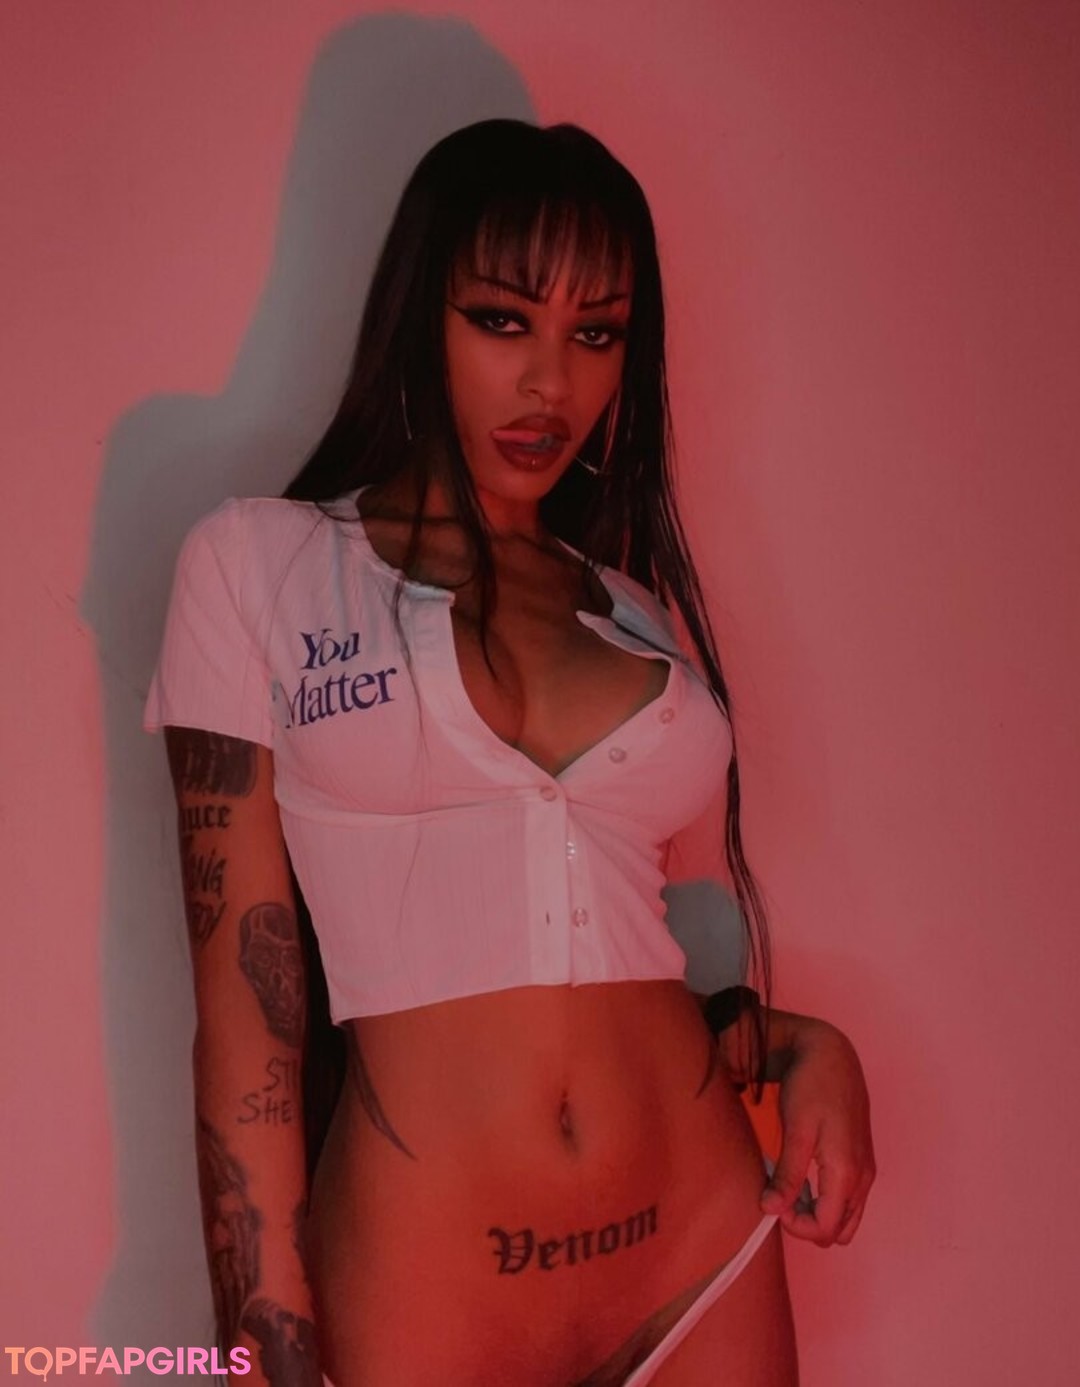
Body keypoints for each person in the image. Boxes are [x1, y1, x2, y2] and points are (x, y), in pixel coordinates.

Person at [145, 119, 874, 1387]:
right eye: (502, 321)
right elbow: (248, 1025)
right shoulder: (258, 566)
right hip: (427, 1292)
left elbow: (582, 942)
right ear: (418, 315)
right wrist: (261, 1352)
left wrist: (804, 1043)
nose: (551, 384)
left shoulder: (629, 610)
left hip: (701, 1249)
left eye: (596, 334)